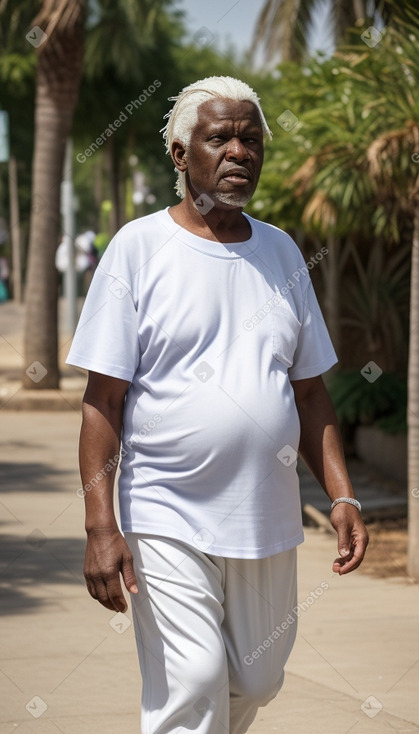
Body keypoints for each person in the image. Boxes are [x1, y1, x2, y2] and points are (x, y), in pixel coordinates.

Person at [66, 76, 369, 734]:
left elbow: (310, 390)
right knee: (195, 679)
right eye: (219, 138)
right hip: (164, 508)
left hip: (265, 515)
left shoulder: (281, 251)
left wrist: (341, 495)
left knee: (256, 678)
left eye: (250, 139)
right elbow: (103, 400)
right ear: (179, 154)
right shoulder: (138, 250)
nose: (239, 152)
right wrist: (100, 526)